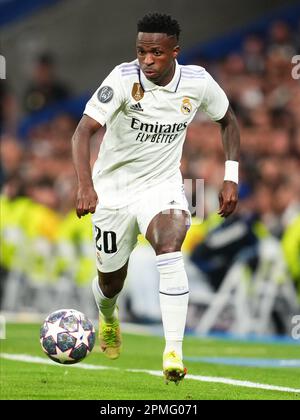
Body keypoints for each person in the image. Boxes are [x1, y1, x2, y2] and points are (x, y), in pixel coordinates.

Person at [71, 13, 240, 384]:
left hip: (161, 185)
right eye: (141, 51)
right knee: (110, 282)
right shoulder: (122, 78)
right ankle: (109, 317)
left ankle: (174, 351)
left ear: (175, 52)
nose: (146, 59)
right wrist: (85, 184)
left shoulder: (197, 82)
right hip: (113, 190)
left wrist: (231, 178)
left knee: (170, 244)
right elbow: (82, 132)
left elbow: (228, 121)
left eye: (156, 53)